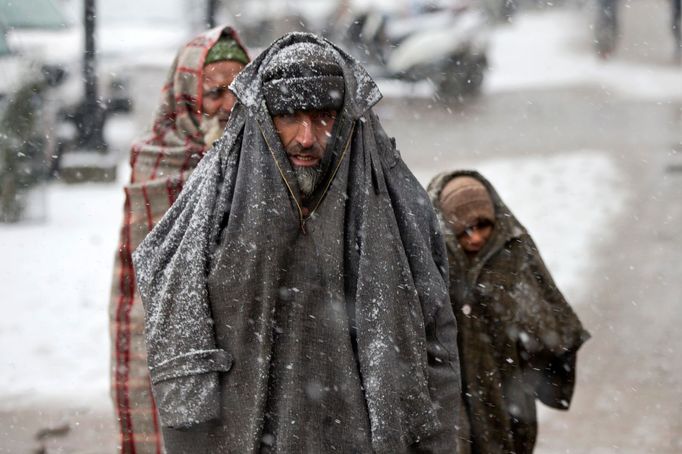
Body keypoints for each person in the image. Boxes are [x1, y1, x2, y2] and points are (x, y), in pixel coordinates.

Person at [132, 32, 467, 453]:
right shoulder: (216, 197)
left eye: (323, 116)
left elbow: (437, 329)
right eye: (290, 117)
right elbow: (170, 300)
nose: (307, 138)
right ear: (266, 117)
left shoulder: (394, 203)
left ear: (344, 116)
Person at [109, 26, 249, 454]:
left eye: (239, 90)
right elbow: (142, 286)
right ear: (186, 94)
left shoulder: (258, 161)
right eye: (214, 92)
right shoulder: (156, 163)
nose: (229, 106)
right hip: (167, 336)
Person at [427, 171, 590, 454]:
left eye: (482, 226)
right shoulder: (427, 254)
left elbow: (547, 312)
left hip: (506, 381)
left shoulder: (513, 250)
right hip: (450, 387)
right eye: (464, 230)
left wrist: (539, 345)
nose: (475, 237)